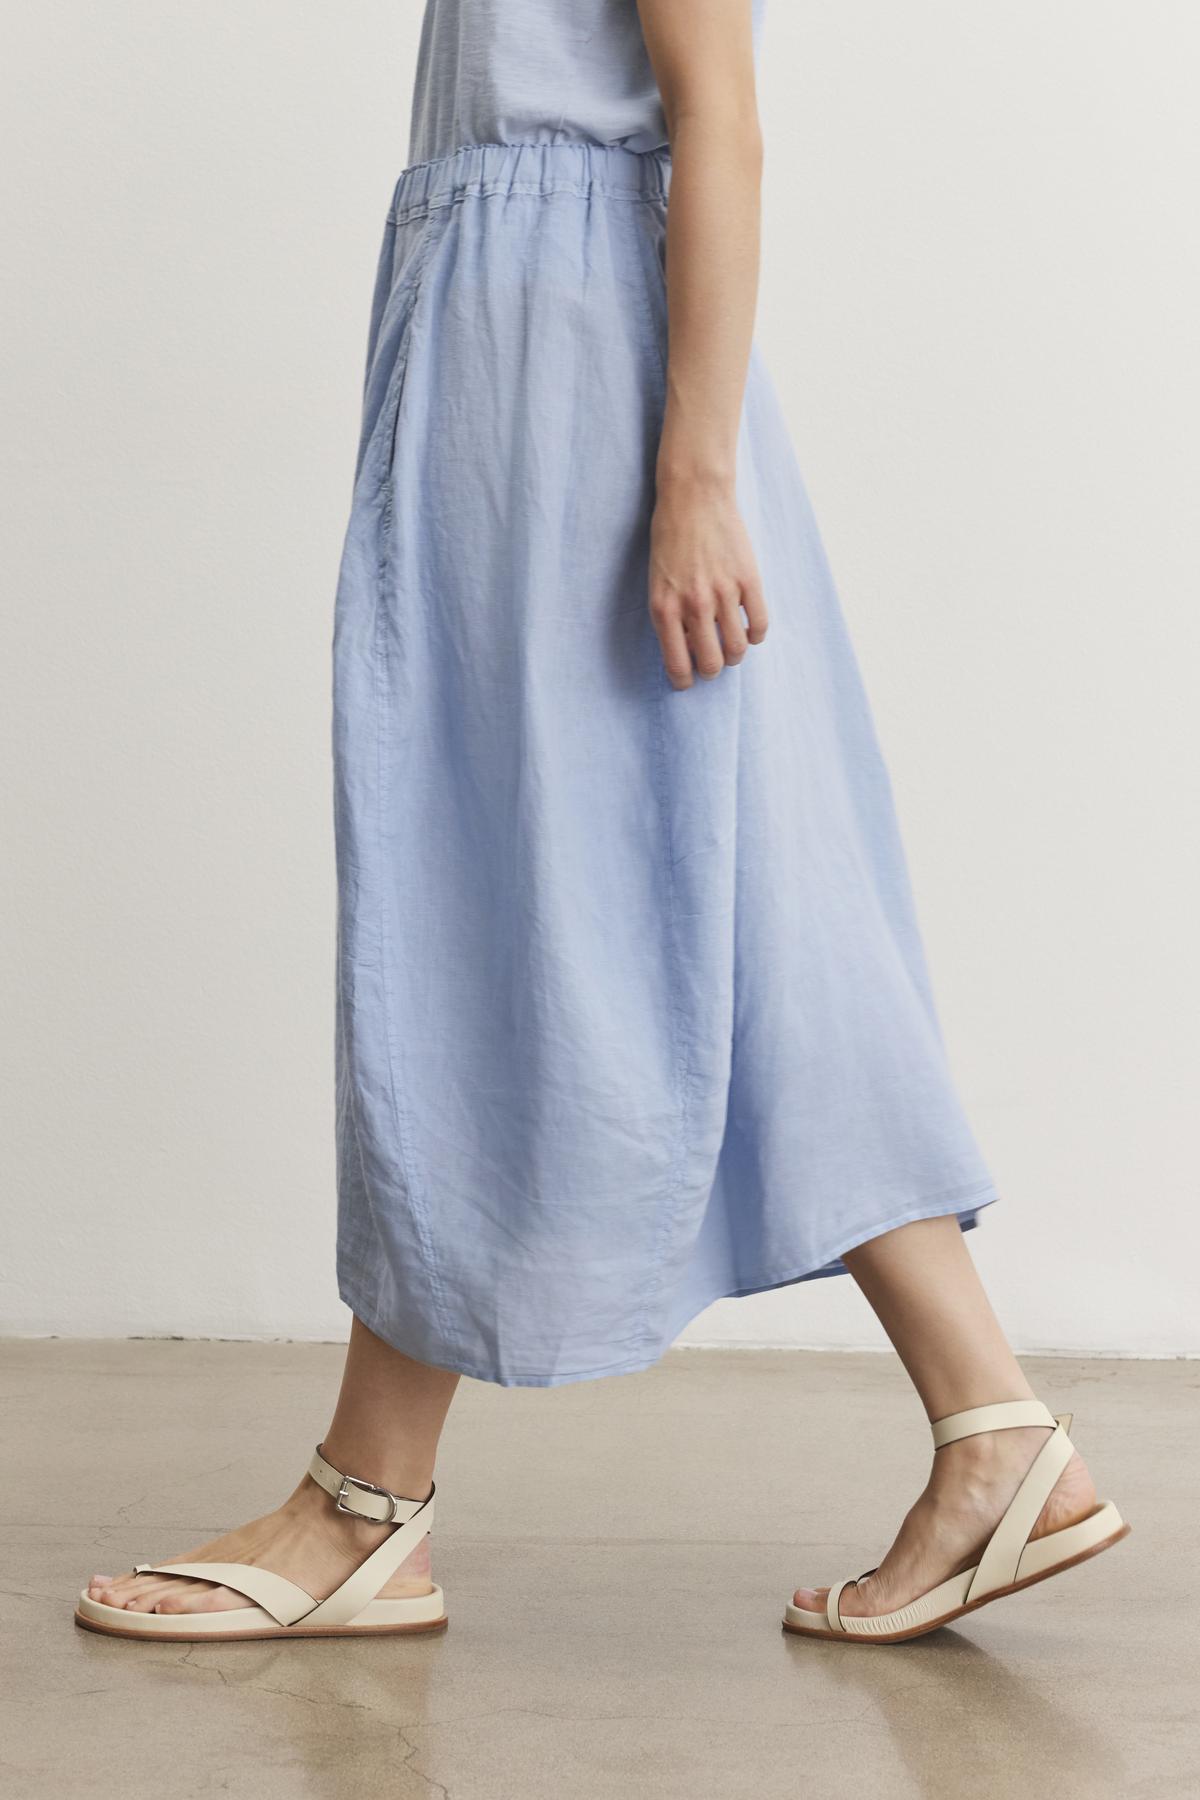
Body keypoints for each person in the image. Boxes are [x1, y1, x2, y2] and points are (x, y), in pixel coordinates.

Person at [76, 0, 1127, 1646]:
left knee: (480, 893)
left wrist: (696, 472)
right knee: (741, 888)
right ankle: (994, 1431)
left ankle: (370, 1498)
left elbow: (722, 113)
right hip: (528, 340)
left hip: (569, 375)